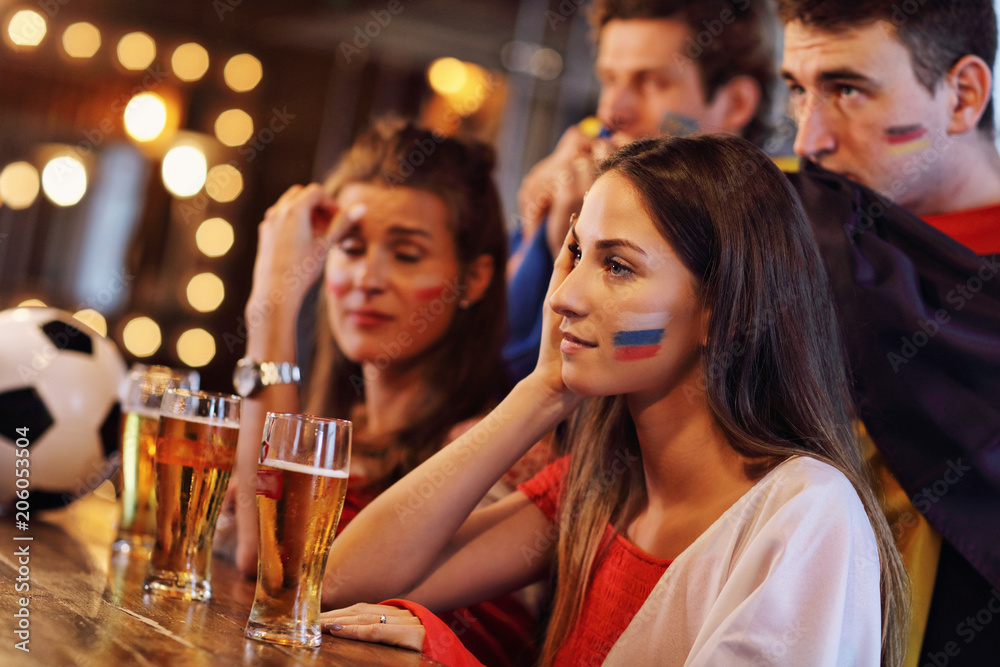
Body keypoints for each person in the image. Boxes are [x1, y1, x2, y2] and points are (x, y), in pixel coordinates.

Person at [316, 135, 909, 667]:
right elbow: (338, 581)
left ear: (721, 310)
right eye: (575, 254)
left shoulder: (806, 514)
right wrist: (544, 390)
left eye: (618, 266)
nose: (565, 297)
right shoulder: (603, 484)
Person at [228, 119, 548, 666]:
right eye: (349, 249)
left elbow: (275, 568)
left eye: (405, 255)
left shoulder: (496, 444)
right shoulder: (330, 430)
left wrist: (272, 307)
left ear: (473, 278)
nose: (367, 279)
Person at [776, 1, 1000, 664]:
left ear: (963, 96)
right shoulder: (773, 236)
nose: (807, 139)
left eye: (847, 90)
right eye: (797, 90)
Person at [504, 0, 782, 383]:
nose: (614, 110)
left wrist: (568, 250)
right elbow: (486, 371)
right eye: (609, 80)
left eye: (653, 82)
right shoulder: (576, 188)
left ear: (735, 104)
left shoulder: (778, 246)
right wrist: (546, 236)